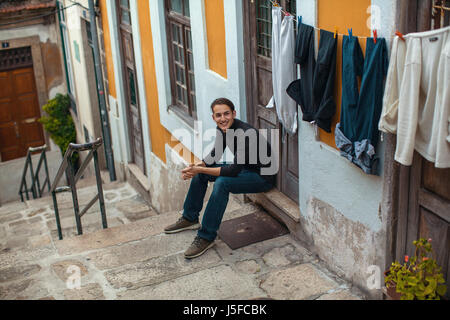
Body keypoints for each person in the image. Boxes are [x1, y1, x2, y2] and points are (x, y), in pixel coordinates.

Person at [164, 97, 276, 259]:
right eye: (218, 115)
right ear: (213, 117)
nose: (223, 119)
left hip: (262, 177)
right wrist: (195, 167)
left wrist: (199, 169)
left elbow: (231, 171)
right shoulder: (222, 129)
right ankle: (190, 217)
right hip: (245, 170)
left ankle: (206, 236)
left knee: (222, 183)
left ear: (234, 113)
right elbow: (214, 156)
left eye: (226, 114)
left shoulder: (246, 134)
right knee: (202, 172)